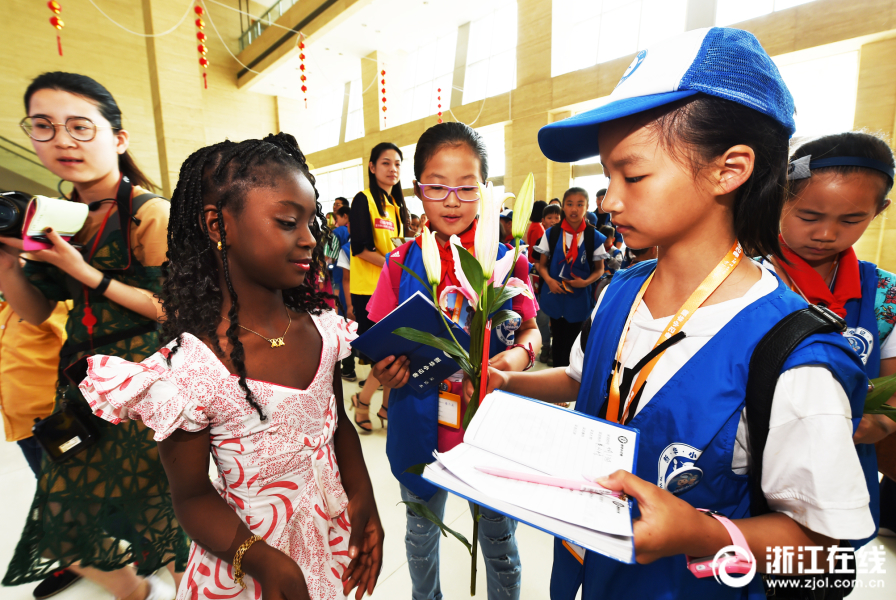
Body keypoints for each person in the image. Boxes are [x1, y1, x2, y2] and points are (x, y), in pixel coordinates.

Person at [486, 27, 876, 599]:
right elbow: (581, 379)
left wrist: (701, 531)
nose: (610, 200)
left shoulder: (792, 354)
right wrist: (506, 384)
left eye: (633, 175)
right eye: (607, 177)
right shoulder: (620, 291)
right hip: (580, 573)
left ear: (730, 168)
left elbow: (826, 552)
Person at [80, 133, 384, 600]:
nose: (309, 239)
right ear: (218, 226)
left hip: (326, 535)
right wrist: (266, 564)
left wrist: (363, 497)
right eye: (287, 222)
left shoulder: (321, 329)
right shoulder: (193, 370)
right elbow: (193, 498)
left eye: (312, 221)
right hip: (248, 561)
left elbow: (336, 423)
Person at [0, 72, 186, 600]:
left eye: (81, 127)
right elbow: (36, 314)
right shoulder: (58, 219)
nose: (62, 140)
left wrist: (86, 273)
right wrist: (9, 266)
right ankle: (134, 592)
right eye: (44, 126)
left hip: (146, 386)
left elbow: (173, 310)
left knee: (167, 525)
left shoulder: (150, 212)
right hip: (81, 389)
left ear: (117, 138)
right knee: (62, 522)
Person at [367, 121, 540, 600]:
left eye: (467, 187)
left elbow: (531, 331)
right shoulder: (400, 263)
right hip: (419, 422)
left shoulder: (507, 259)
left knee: (498, 541)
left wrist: (516, 360)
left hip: (488, 428)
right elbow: (380, 345)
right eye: (437, 186)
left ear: (484, 190)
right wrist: (384, 373)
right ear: (417, 189)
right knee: (422, 538)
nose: (452, 199)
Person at [763, 131, 896, 544]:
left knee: (819, 572)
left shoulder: (884, 296)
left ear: (879, 211)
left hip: (840, 473)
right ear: (779, 198)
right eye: (809, 216)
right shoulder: (744, 280)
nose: (826, 233)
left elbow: (892, 384)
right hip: (749, 472)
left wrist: (882, 422)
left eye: (851, 220)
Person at [349, 143, 409, 433]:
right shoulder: (363, 200)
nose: (392, 169)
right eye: (386, 163)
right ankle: (362, 400)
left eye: (397, 163)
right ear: (372, 167)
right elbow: (360, 248)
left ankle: (385, 406)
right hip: (369, 290)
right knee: (384, 355)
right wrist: (395, 261)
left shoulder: (396, 205)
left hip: (394, 289)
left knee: (397, 352)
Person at [534, 187, 607, 368]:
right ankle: (555, 382)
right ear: (563, 208)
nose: (574, 209)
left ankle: (569, 380)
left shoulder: (594, 237)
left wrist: (586, 282)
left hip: (579, 299)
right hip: (555, 296)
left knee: (575, 344)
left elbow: (600, 270)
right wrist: (549, 280)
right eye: (569, 204)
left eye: (580, 204)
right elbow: (541, 265)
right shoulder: (552, 234)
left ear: (587, 207)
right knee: (557, 340)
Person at [0, 293, 68, 476]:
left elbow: (75, 351)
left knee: (70, 490)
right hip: (24, 429)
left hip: (57, 420)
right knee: (48, 491)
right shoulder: (5, 311)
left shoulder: (46, 302)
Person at [333, 205, 358, 382]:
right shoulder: (378, 247)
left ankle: (349, 369)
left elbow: (344, 278)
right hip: (369, 298)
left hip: (348, 296)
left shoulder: (345, 247)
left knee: (347, 330)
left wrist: (347, 304)